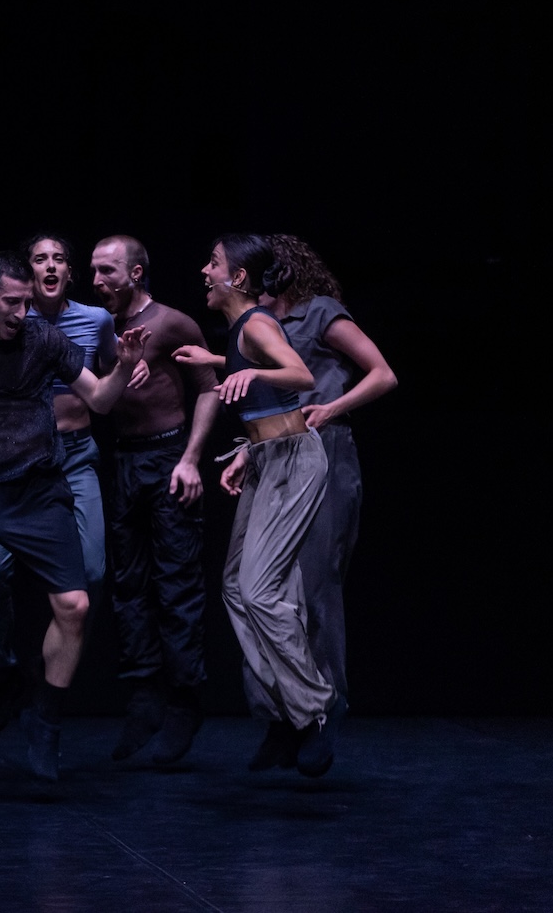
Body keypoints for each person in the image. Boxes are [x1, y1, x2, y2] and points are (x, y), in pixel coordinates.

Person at [0, 250, 148, 781]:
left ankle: (46, 721)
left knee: (75, 605)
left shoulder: (44, 339)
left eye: (27, 302)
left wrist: (125, 366)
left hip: (39, 492)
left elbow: (100, 401)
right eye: (12, 302)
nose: (22, 312)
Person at [173, 234, 338, 778]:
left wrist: (251, 373)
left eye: (213, 262)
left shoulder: (258, 323)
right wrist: (220, 364)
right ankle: (284, 714)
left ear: (238, 277)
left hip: (294, 460)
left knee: (261, 590)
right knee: (236, 588)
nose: (205, 271)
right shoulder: (241, 331)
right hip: (267, 457)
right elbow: (255, 373)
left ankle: (313, 711)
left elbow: (301, 376)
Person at [242, 233, 396, 772]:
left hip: (324, 452)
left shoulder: (320, 312)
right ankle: (283, 716)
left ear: (280, 269)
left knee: (313, 587)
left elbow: (383, 374)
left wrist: (331, 407)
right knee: (260, 591)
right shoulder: (259, 325)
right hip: (272, 454)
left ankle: (326, 710)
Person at [0, 234, 118, 736]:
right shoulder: (9, 320)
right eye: (40, 259)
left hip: (75, 459)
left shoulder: (96, 321)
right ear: (28, 274)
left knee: (92, 573)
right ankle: (0, 677)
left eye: (59, 259)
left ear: (70, 273)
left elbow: (109, 381)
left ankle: (47, 679)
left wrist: (130, 371)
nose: (50, 265)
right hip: (19, 465)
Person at [89, 234, 220, 765]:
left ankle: (184, 702)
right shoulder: (99, 327)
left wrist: (190, 458)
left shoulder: (171, 323)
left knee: (176, 585)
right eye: (93, 271)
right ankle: (144, 697)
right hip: (123, 459)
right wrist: (118, 371)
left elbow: (208, 388)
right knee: (128, 585)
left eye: (107, 271)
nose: (97, 281)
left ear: (136, 273)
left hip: (167, 457)